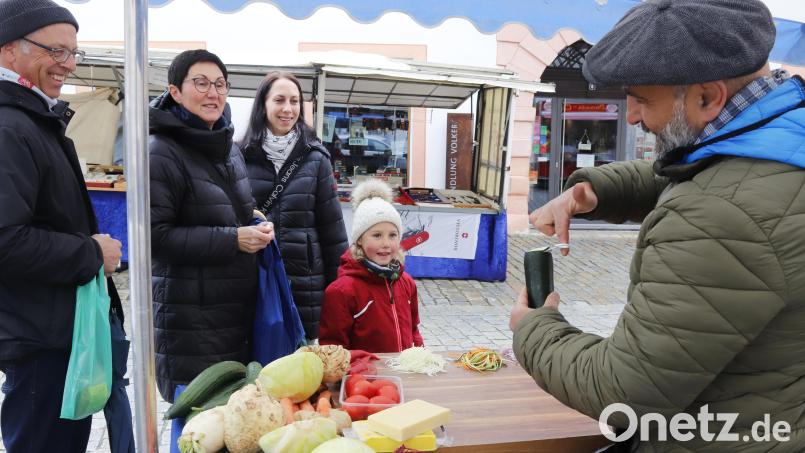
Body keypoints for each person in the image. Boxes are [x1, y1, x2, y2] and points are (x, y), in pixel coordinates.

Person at [510, 0, 805, 451]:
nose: (629, 116)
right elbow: (713, 170)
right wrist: (599, 190)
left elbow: (623, 392)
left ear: (707, 97)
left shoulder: (721, 217)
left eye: (642, 98)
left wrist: (533, 328)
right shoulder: (784, 134)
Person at [0, 1, 128, 451]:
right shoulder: (9, 126)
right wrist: (91, 253)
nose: (68, 64)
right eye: (55, 51)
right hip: (38, 340)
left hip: (54, 335)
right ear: (8, 51)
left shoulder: (34, 118)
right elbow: (4, 243)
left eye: (74, 52)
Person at [149, 49, 274, 402]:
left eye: (220, 84)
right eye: (200, 83)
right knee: (201, 421)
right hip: (192, 317)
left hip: (234, 309)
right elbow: (155, 237)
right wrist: (233, 239)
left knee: (235, 416)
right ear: (175, 91)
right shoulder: (161, 151)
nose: (213, 93)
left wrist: (255, 220)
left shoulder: (227, 147)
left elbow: (232, 207)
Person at [240, 71, 348, 341]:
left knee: (302, 369)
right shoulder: (240, 156)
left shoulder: (316, 158)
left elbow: (332, 231)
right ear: (263, 105)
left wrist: (342, 289)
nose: (288, 109)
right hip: (256, 279)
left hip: (306, 283)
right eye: (279, 100)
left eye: (295, 101)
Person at [319, 179, 424, 352]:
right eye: (377, 235)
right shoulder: (341, 291)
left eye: (392, 235)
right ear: (359, 239)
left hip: (404, 374)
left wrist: (420, 352)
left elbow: (413, 330)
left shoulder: (407, 283)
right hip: (365, 376)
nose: (386, 243)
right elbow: (333, 347)